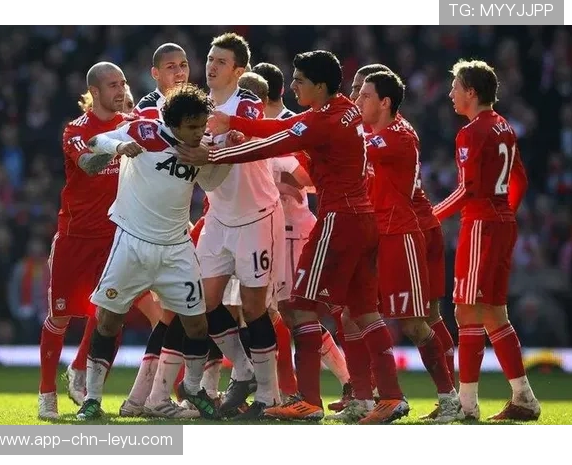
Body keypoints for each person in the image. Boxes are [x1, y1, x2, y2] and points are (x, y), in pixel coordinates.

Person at [179, 50, 408, 424]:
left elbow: (273, 143)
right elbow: (285, 128)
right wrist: (233, 122)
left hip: (338, 220)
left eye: (300, 80)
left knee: (299, 307)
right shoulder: (343, 110)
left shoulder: (324, 120)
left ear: (320, 85)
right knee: (364, 311)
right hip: (361, 219)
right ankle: (391, 397)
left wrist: (214, 156)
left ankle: (309, 401)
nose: (294, 86)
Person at [76, 84, 229, 420]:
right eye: (192, 127)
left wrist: (220, 156)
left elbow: (212, 182)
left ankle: (192, 388)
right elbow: (96, 141)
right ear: (173, 124)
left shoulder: (199, 148)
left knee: (197, 325)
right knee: (108, 320)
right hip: (132, 243)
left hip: (176, 249)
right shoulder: (144, 131)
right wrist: (120, 146)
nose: (199, 132)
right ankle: (92, 397)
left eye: (202, 126)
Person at [433, 59, 540, 421]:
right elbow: (520, 179)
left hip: (481, 224)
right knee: (494, 313)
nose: (451, 93)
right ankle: (524, 397)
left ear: (471, 92)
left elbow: (468, 189)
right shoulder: (504, 127)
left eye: (455, 87)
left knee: (466, 310)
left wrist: (431, 215)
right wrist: (505, 211)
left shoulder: (472, 132)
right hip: (502, 223)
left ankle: (467, 406)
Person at [352, 71, 460, 423]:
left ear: (385, 102)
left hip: (401, 235)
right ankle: (368, 397)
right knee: (357, 314)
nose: (356, 101)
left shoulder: (399, 135)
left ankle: (450, 398)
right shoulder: (372, 132)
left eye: (364, 95)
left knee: (416, 323)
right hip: (376, 234)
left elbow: (353, 149)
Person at [195, 32, 286, 419]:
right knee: (201, 300)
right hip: (218, 216)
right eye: (210, 59)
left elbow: (247, 131)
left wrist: (222, 138)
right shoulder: (198, 105)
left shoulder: (246, 101)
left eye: (221, 61)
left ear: (239, 70)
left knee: (253, 307)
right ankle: (245, 371)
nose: (211, 66)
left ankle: (268, 395)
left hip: (256, 216)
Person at [251, 63, 351, 402]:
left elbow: (310, 180)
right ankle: (280, 391)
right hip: (266, 230)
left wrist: (279, 185)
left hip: (292, 229)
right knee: (272, 312)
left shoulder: (293, 126)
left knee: (294, 311)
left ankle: (337, 384)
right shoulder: (271, 125)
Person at [38, 62, 133, 420]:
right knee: (60, 316)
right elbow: (90, 165)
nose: (120, 90)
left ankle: (81, 372)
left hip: (116, 236)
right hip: (75, 237)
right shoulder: (76, 129)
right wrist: (119, 147)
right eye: (113, 85)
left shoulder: (131, 123)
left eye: (123, 83)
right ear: (95, 91)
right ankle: (47, 393)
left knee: (110, 311)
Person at [119, 42, 196, 418]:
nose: (179, 72)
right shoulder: (148, 109)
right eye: (171, 67)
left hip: (177, 228)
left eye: (183, 65)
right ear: (155, 73)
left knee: (172, 315)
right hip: (150, 233)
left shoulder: (194, 107)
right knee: (185, 313)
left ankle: (140, 398)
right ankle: (168, 396)